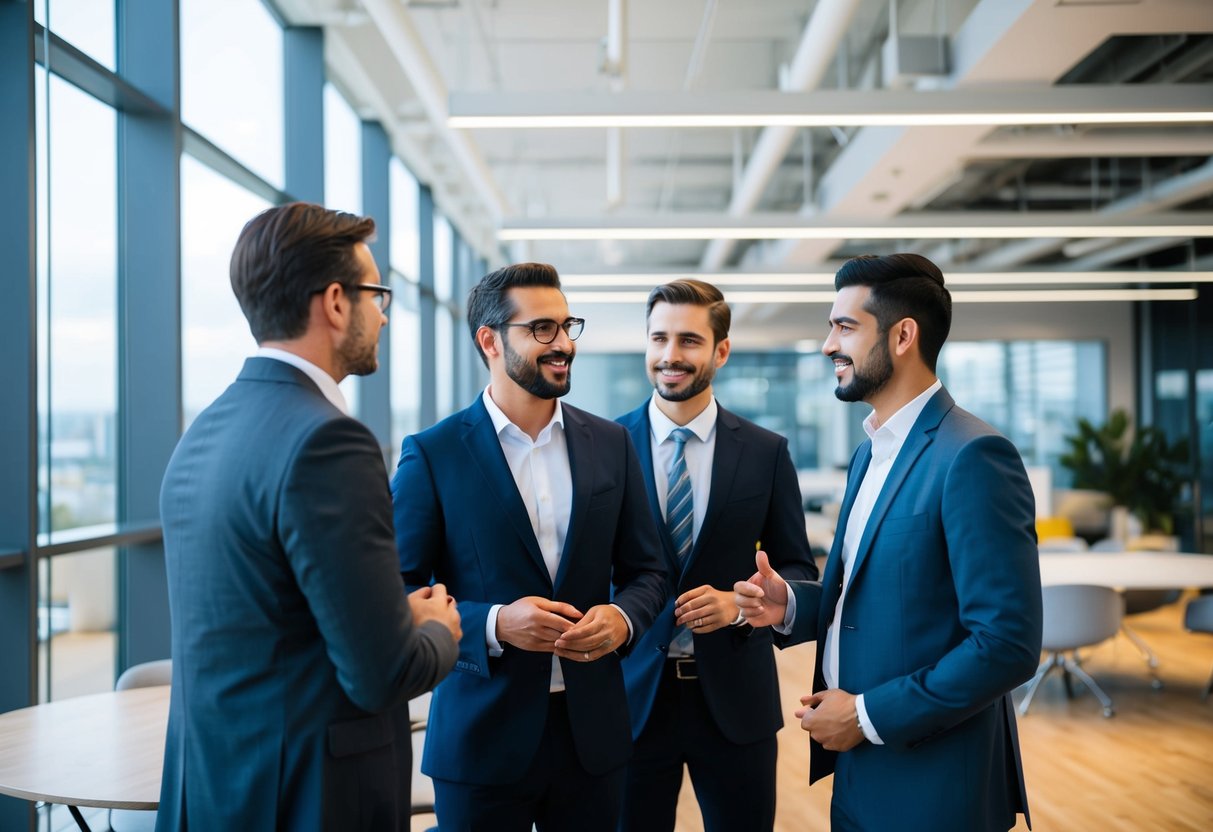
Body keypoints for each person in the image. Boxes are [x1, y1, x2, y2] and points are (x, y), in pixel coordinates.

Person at [157, 203, 461, 831]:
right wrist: (437, 630)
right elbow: (384, 676)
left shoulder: (205, 432)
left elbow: (270, 621)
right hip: (307, 799)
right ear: (335, 302)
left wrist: (384, 618)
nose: (382, 313)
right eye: (377, 294)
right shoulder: (330, 443)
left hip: (217, 791)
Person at [735, 253, 1043, 832]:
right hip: (857, 773)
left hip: (933, 784)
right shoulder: (870, 450)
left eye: (845, 327)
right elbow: (879, 591)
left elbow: (1007, 644)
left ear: (904, 335)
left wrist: (867, 716)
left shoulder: (972, 455)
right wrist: (794, 606)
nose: (829, 344)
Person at [391, 262, 668, 831]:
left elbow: (650, 570)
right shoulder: (433, 453)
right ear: (489, 341)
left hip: (594, 735)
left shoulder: (611, 443)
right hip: (480, 740)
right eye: (542, 329)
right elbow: (399, 591)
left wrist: (622, 618)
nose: (563, 343)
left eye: (568, 326)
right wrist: (494, 623)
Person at [615, 280, 817, 831]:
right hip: (628, 701)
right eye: (659, 338)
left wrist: (742, 603)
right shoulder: (602, 447)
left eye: (688, 340)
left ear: (720, 351)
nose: (670, 355)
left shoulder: (765, 452)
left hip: (736, 702)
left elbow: (799, 569)